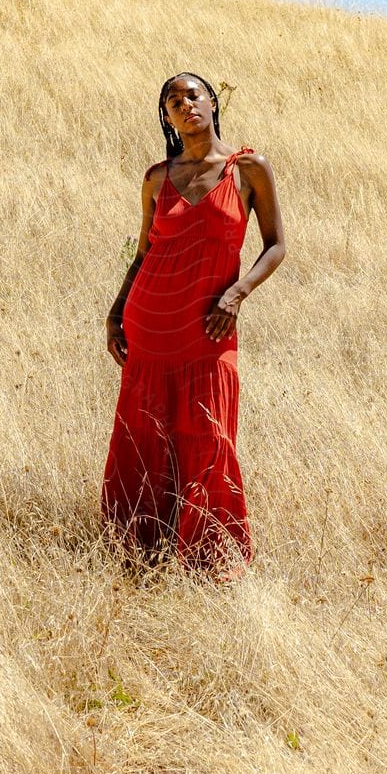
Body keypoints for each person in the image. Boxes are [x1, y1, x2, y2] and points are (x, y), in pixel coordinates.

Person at [101, 73, 286, 582]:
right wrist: (117, 313)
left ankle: (207, 558)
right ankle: (140, 548)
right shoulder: (157, 178)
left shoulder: (248, 169)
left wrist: (237, 294)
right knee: (146, 434)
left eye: (193, 95)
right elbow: (144, 252)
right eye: (172, 101)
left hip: (208, 326)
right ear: (166, 117)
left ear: (212, 103)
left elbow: (276, 246)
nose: (185, 105)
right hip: (150, 322)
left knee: (208, 432)